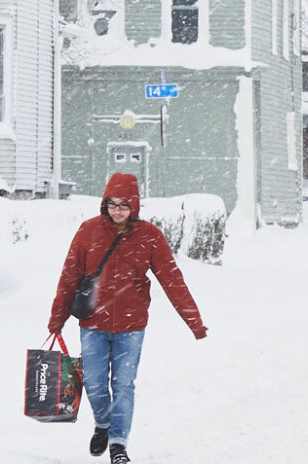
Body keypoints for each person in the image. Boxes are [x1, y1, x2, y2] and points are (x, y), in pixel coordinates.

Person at [47, 173, 208, 464]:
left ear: (134, 205)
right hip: (93, 323)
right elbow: (69, 277)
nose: (118, 210)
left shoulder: (149, 236)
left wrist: (193, 321)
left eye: (124, 204)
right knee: (95, 382)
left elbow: (172, 280)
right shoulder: (88, 231)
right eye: (112, 204)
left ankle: (118, 443)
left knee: (123, 385)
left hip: (131, 326)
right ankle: (104, 425)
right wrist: (57, 318)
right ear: (104, 204)